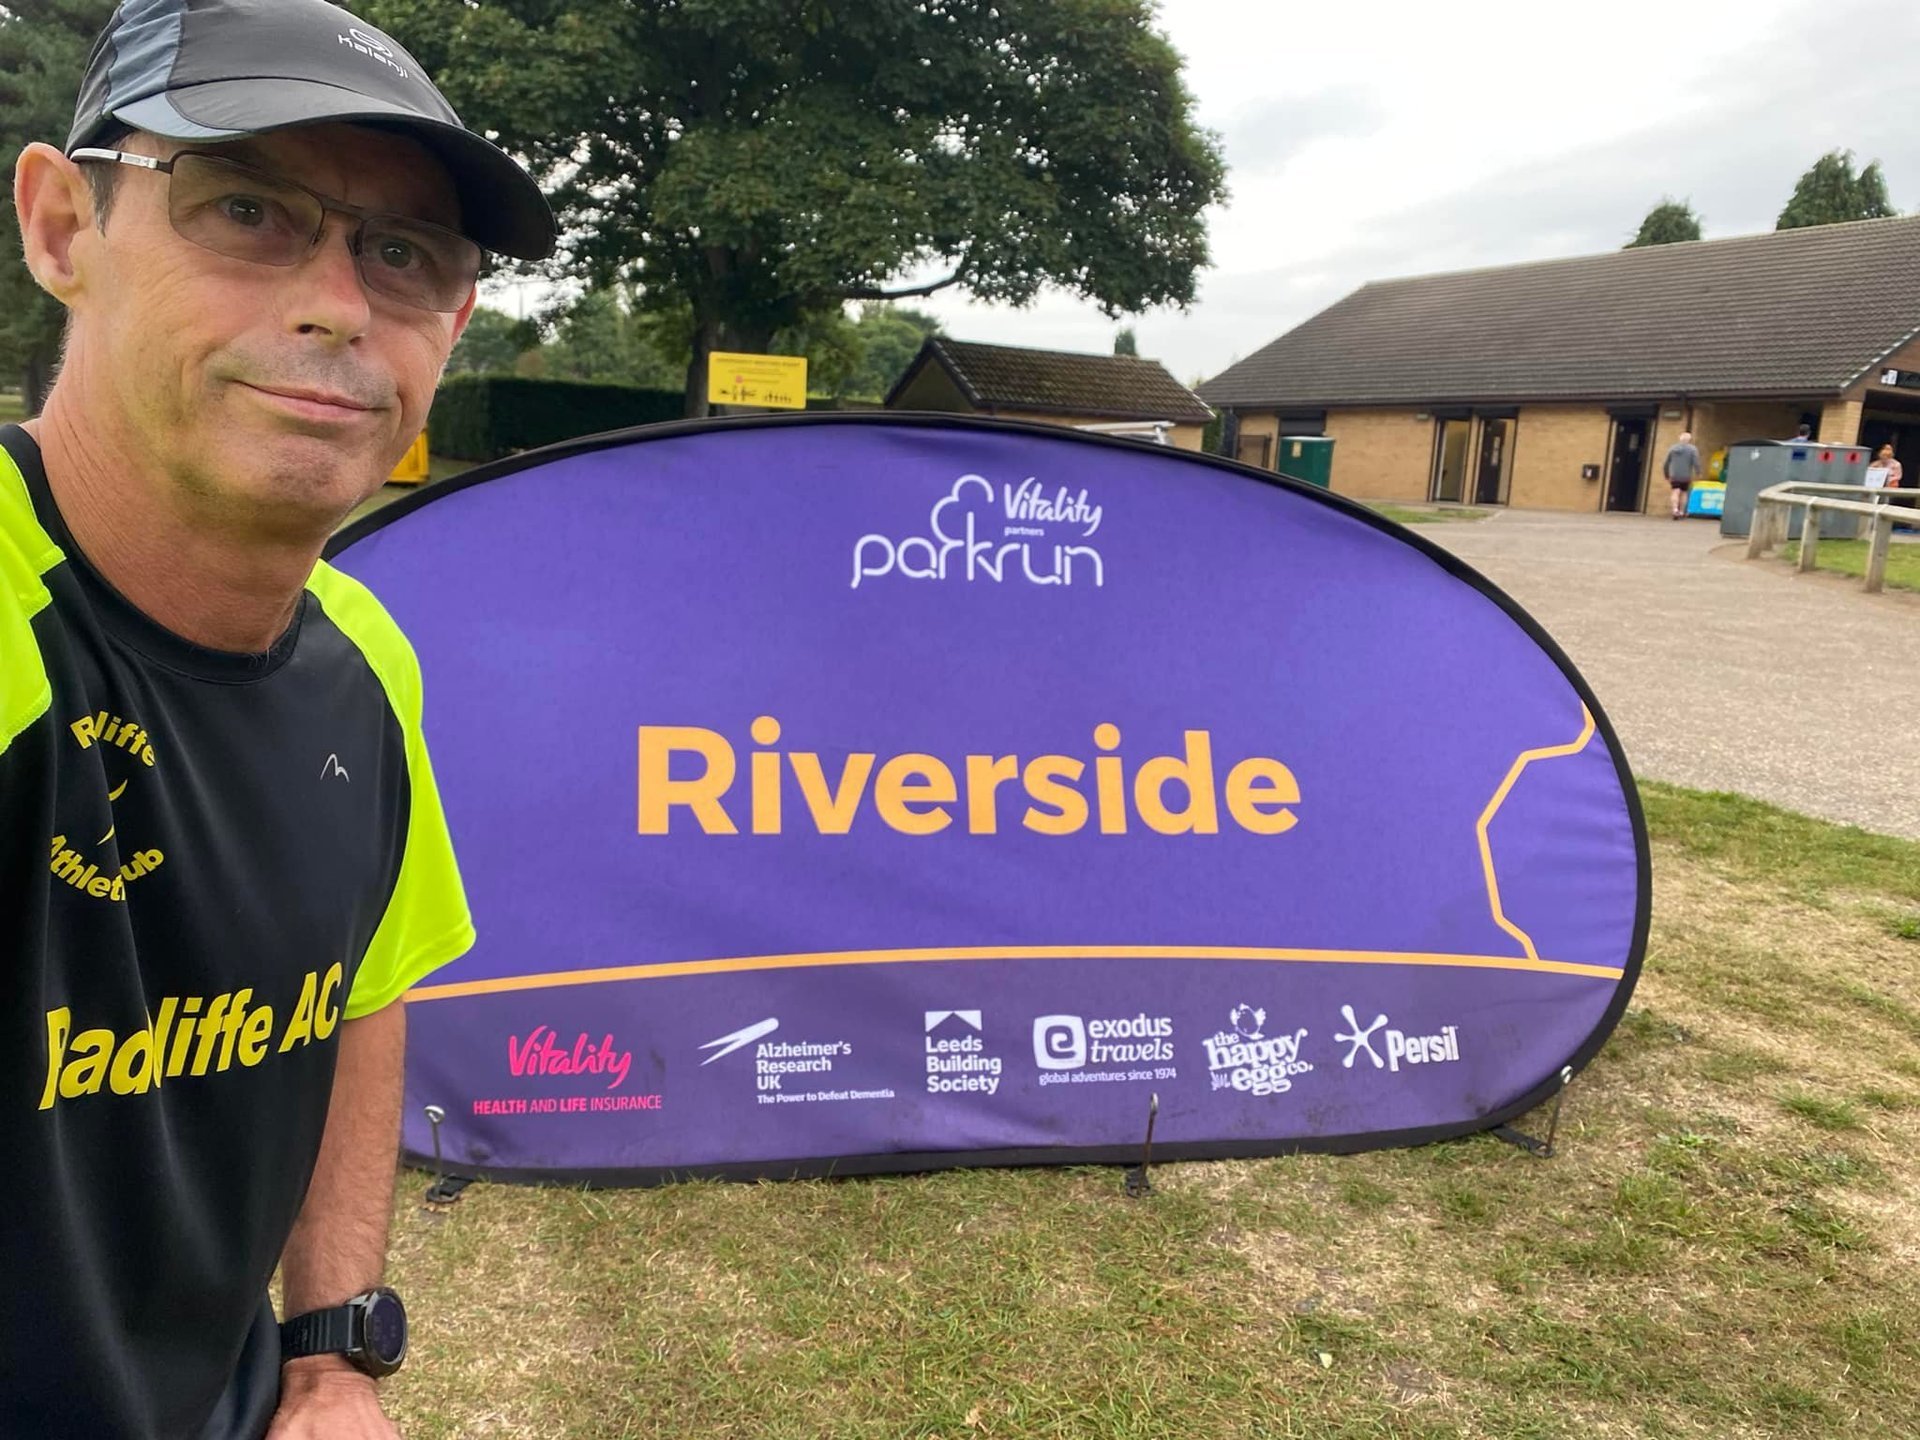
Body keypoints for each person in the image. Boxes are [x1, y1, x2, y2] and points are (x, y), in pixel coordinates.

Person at [2, 1, 554, 1436]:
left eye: (403, 252)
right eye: (244, 206)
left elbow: (360, 985)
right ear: (63, 227)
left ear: (456, 323)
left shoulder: (364, 653)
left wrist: (329, 1355)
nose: (336, 304)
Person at [1662, 429, 1703, 519]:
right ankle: (1681, 511)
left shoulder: (1672, 448)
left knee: (1675, 491)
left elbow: (1666, 462)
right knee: (1684, 493)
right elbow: (1696, 462)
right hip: (1686, 475)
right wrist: (1698, 472)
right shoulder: (1693, 449)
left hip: (1674, 474)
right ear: (1689, 440)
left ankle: (1675, 509)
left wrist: (1666, 474)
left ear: (1680, 439)